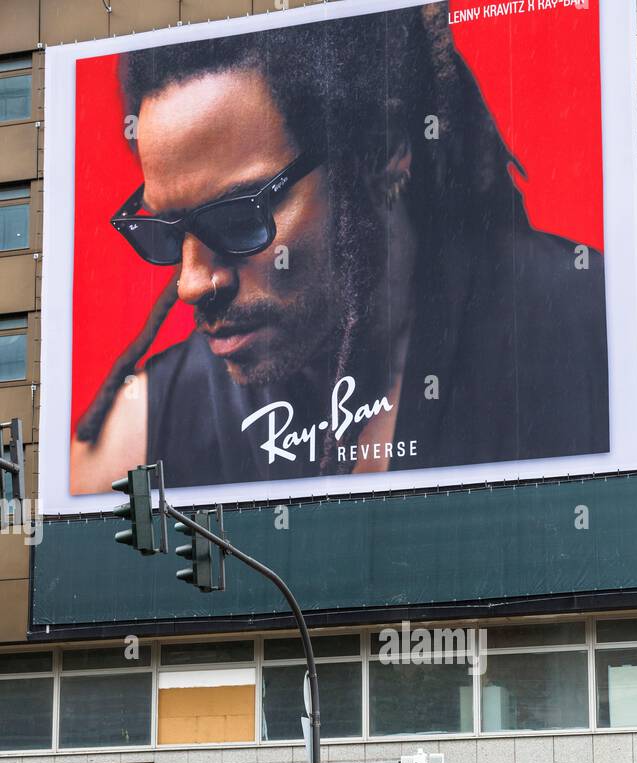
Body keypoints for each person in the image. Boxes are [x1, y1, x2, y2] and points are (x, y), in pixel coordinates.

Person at [70, 5, 608, 493]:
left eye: (237, 219)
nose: (191, 283)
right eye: (167, 229)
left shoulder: (597, 328)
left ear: (383, 153)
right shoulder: (139, 438)